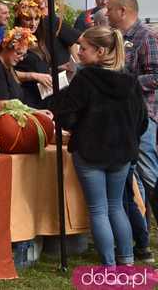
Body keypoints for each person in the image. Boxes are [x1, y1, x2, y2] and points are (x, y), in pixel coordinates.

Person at [51, 26, 147, 266]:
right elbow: (142, 121)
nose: (79, 52)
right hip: (121, 153)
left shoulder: (85, 79)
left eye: (83, 48)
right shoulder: (130, 80)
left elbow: (66, 116)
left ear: (100, 51)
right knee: (116, 207)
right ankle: (126, 260)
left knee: (99, 210)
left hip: (90, 151)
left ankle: (109, 264)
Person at [106, 0, 158, 238]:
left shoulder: (145, 37)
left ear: (123, 11)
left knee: (149, 175)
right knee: (129, 180)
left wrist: (125, 84)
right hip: (119, 118)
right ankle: (141, 237)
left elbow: (156, 76)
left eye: (110, 8)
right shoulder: (116, 38)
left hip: (142, 118)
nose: (106, 13)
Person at [13, 0, 54, 108]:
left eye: (36, 19)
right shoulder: (15, 39)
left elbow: (38, 67)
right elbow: (5, 72)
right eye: (28, 19)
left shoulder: (39, 39)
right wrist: (33, 76)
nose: (33, 23)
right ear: (19, 19)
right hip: (26, 100)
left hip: (44, 97)